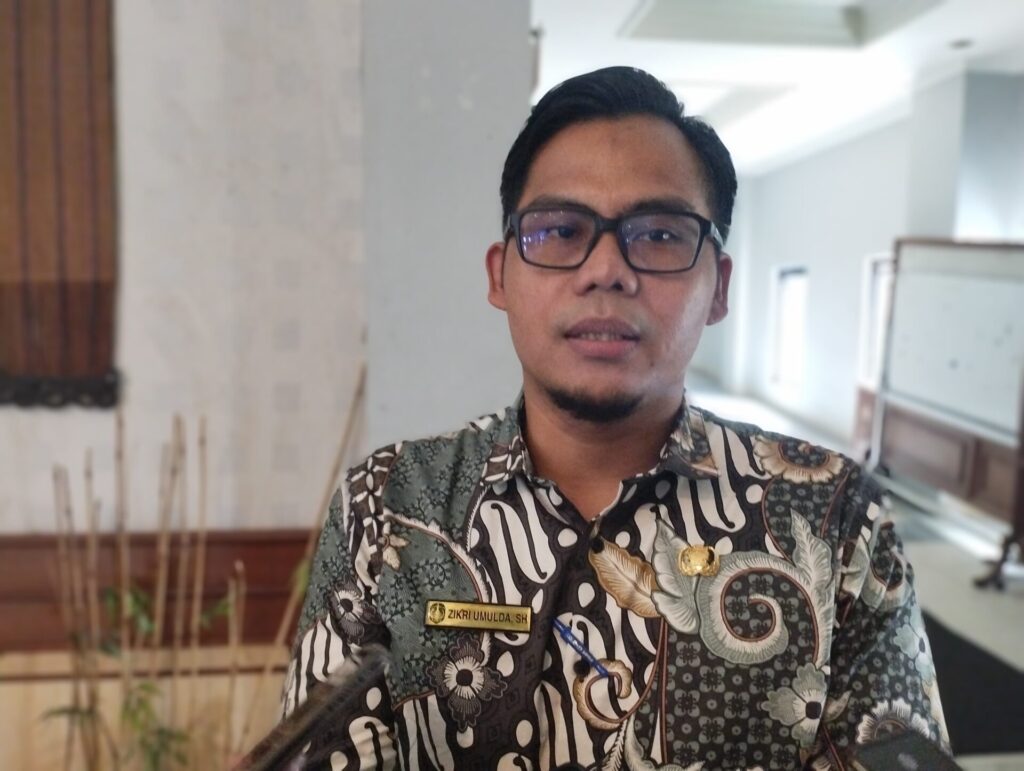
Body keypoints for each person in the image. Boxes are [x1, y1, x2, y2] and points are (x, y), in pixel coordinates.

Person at [281, 66, 948, 770]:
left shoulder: (834, 516)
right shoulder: (386, 504)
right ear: (500, 274)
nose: (606, 270)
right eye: (560, 230)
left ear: (718, 287)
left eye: (658, 234)